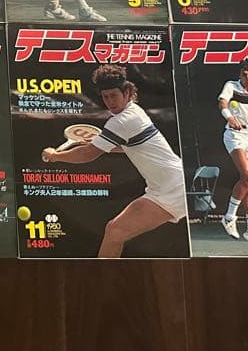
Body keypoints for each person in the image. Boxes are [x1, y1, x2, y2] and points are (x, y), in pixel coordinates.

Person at [41, 65, 186, 258]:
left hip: (173, 189)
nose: (110, 101)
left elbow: (87, 155)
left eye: (114, 95)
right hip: (170, 185)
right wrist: (98, 144)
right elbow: (127, 147)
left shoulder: (122, 121)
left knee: (115, 231)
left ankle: (104, 276)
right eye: (105, 97)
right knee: (115, 231)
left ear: (127, 92)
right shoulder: (134, 111)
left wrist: (55, 156)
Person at [217, 61, 248, 254]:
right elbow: (222, 102)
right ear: (240, 75)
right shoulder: (231, 86)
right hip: (234, 136)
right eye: (245, 75)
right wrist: (230, 117)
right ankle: (229, 217)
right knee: (247, 176)